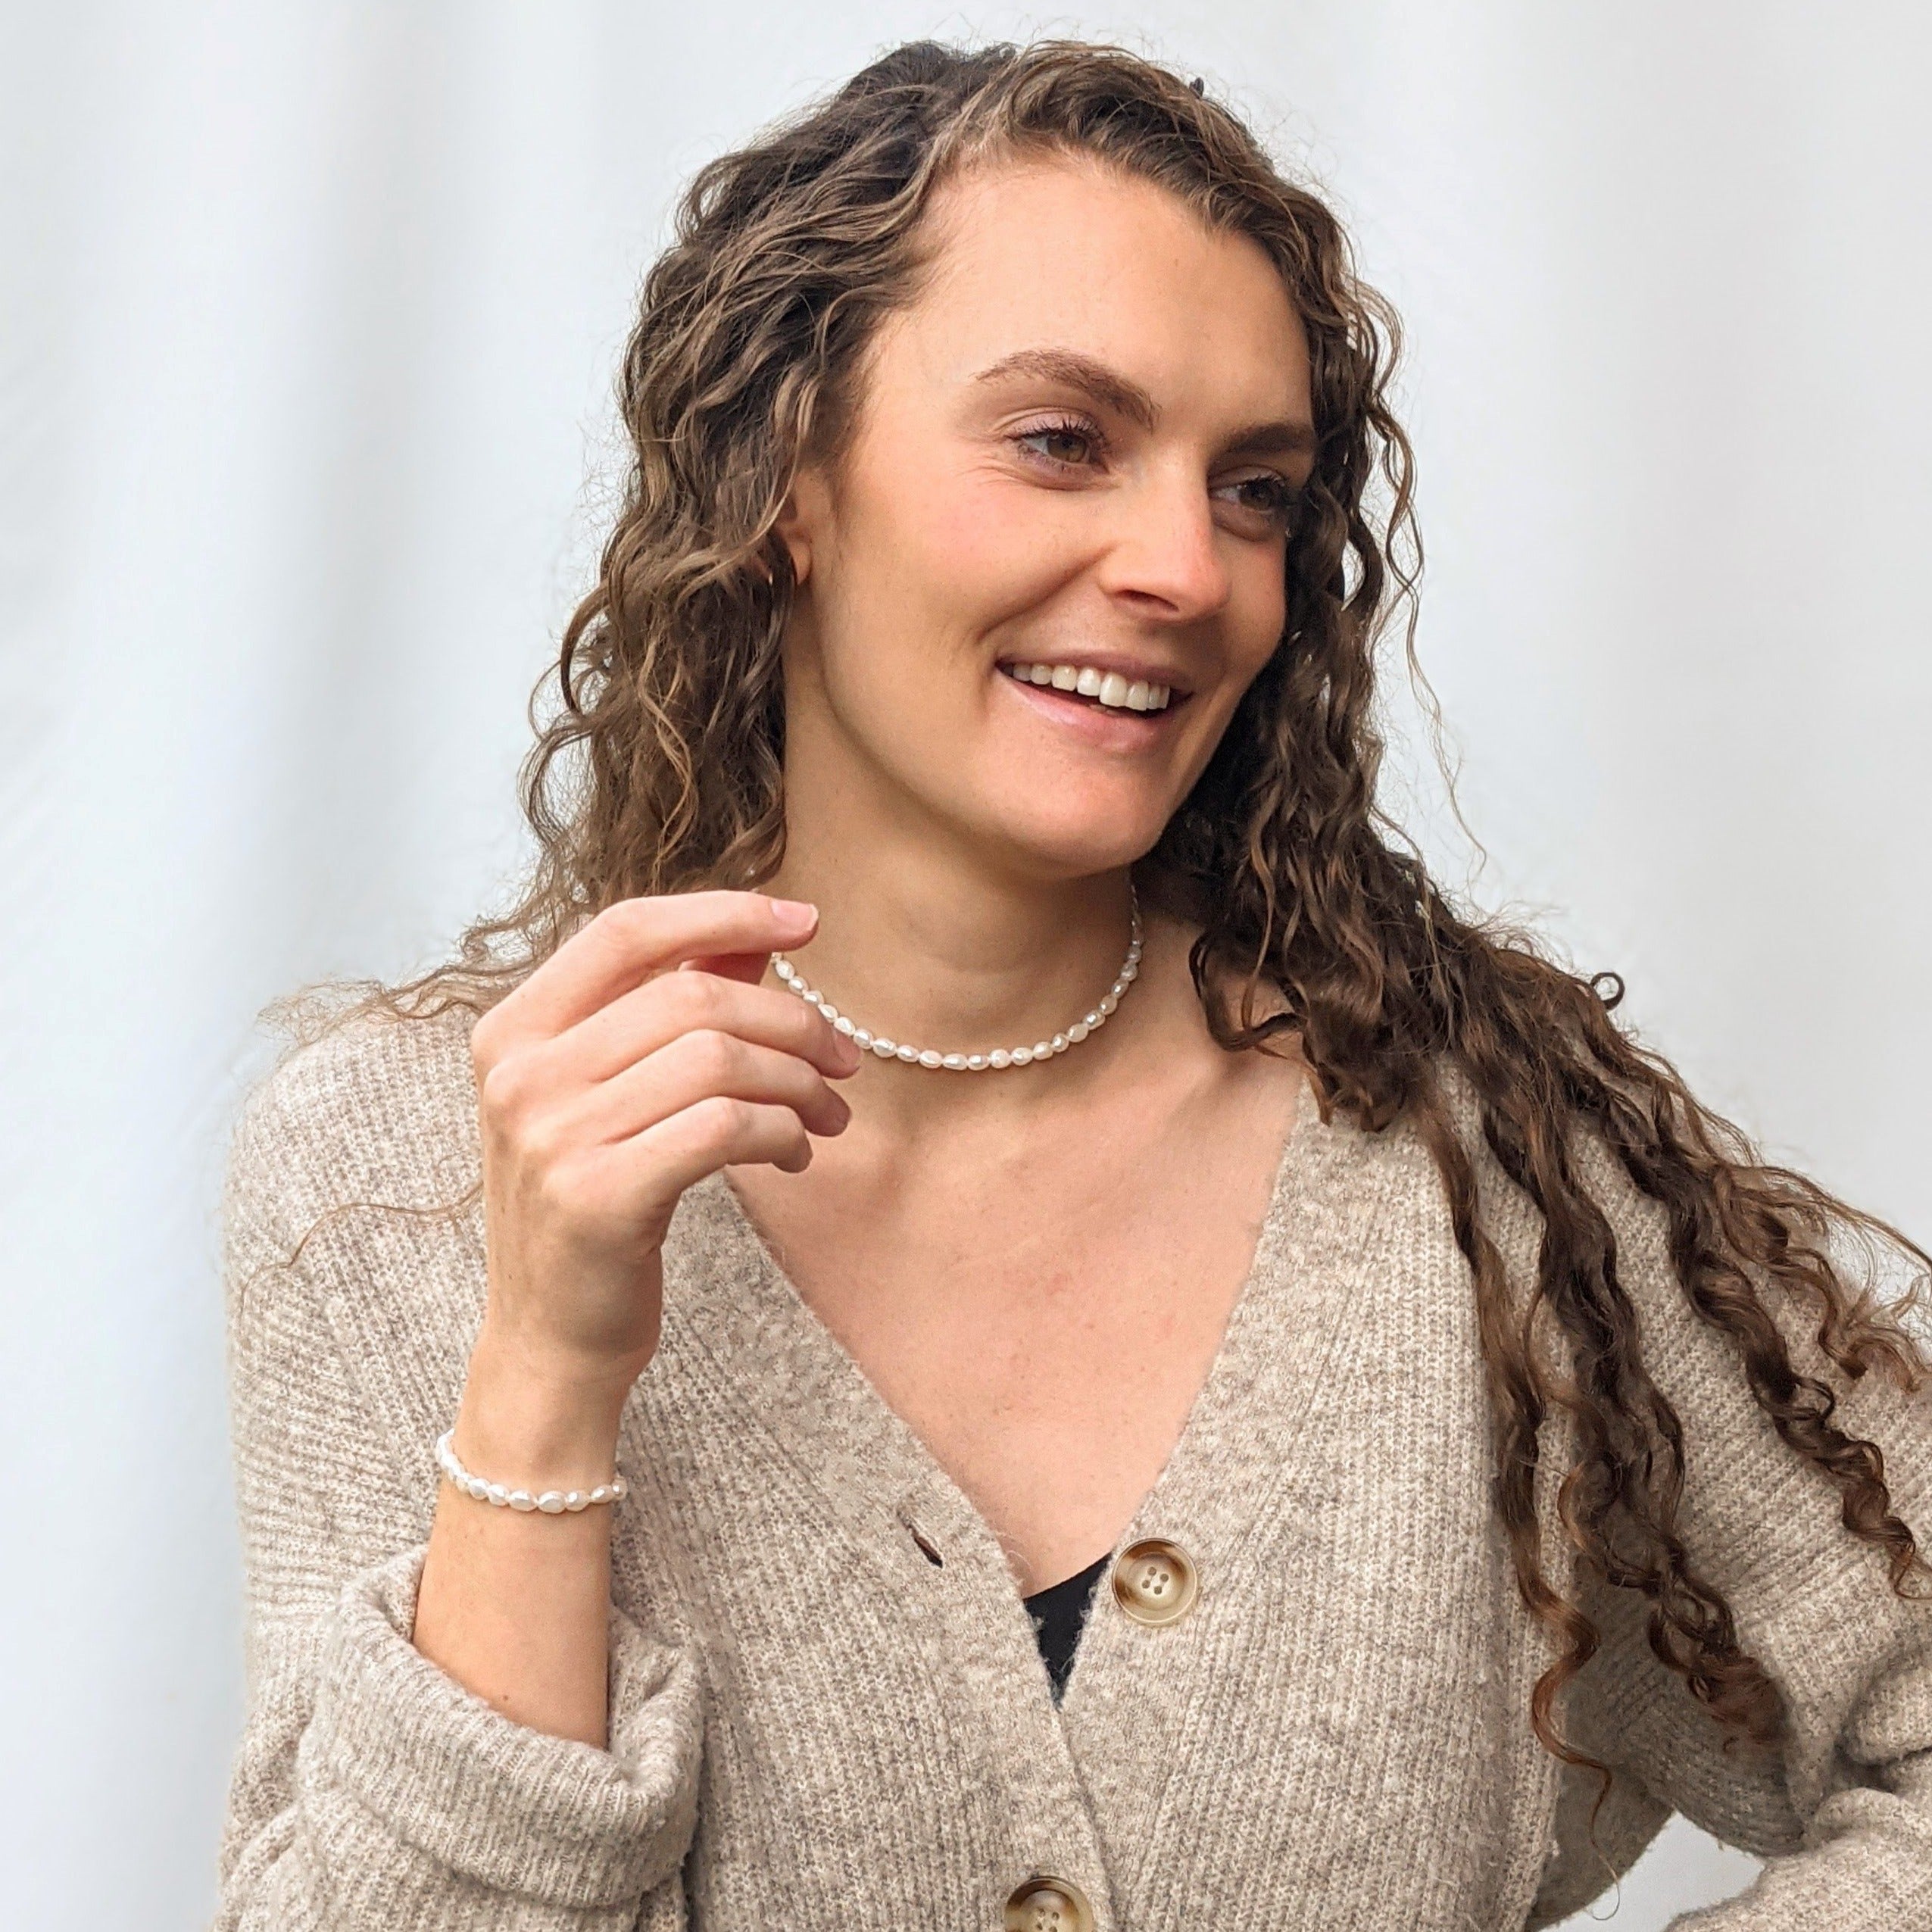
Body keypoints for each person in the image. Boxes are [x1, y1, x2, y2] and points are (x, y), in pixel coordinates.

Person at [213, 39, 1932, 1932]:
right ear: (786, 474)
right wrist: (543, 1374)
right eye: (1061, 441)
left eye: (1256, 489)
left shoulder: (1457, 1141)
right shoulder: (395, 1175)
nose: (1185, 566)